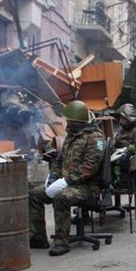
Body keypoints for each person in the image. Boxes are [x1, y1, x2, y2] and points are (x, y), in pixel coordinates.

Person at [29, 100, 106, 256]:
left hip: (86, 186)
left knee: (61, 198)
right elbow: (60, 160)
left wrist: (66, 181)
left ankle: (61, 242)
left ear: (79, 121)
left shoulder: (95, 138)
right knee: (34, 195)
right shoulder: (71, 136)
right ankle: (38, 237)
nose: (68, 123)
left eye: (71, 120)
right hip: (65, 182)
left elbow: (89, 168)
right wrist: (53, 177)